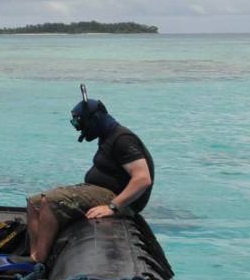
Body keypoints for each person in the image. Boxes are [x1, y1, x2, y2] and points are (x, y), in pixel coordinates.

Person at [26, 93, 155, 262]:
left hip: (117, 198)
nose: (79, 129)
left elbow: (143, 178)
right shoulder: (107, 137)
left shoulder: (123, 139)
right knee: (34, 202)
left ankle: (39, 261)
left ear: (95, 120)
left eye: (80, 123)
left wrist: (113, 207)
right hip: (101, 191)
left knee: (50, 203)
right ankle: (34, 255)